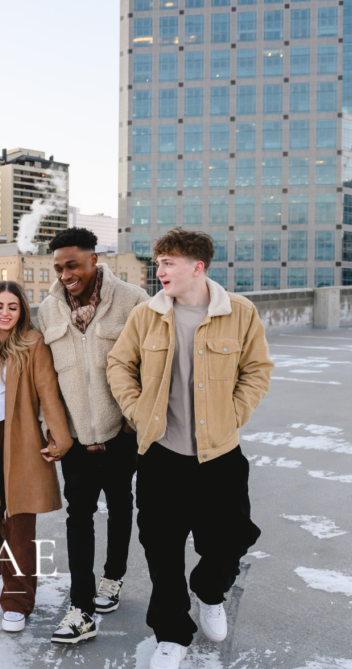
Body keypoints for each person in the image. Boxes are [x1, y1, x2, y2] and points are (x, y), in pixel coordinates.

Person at [107, 228, 273, 669]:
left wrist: (234, 413)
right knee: (161, 551)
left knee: (228, 542)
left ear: (197, 267)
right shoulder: (147, 316)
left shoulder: (240, 313)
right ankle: (171, 634)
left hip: (220, 455)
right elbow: (120, 364)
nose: (159, 270)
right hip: (161, 455)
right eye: (158, 262)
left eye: (169, 263)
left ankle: (210, 592)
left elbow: (258, 369)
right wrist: (139, 411)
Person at [35, 227, 150, 644]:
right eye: (59, 267)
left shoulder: (134, 301)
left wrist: (136, 423)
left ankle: (113, 577)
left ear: (94, 259)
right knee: (78, 517)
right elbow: (44, 379)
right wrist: (54, 431)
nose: (66, 274)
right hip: (76, 440)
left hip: (122, 434)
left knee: (121, 507)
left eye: (73, 265)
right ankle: (80, 608)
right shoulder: (48, 310)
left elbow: (151, 368)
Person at [0, 281, 73, 633]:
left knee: (21, 527)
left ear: (21, 310)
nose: (5, 313)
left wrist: (59, 436)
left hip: (22, 438)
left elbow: (48, 390)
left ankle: (17, 601)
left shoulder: (33, 342)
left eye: (12, 306)